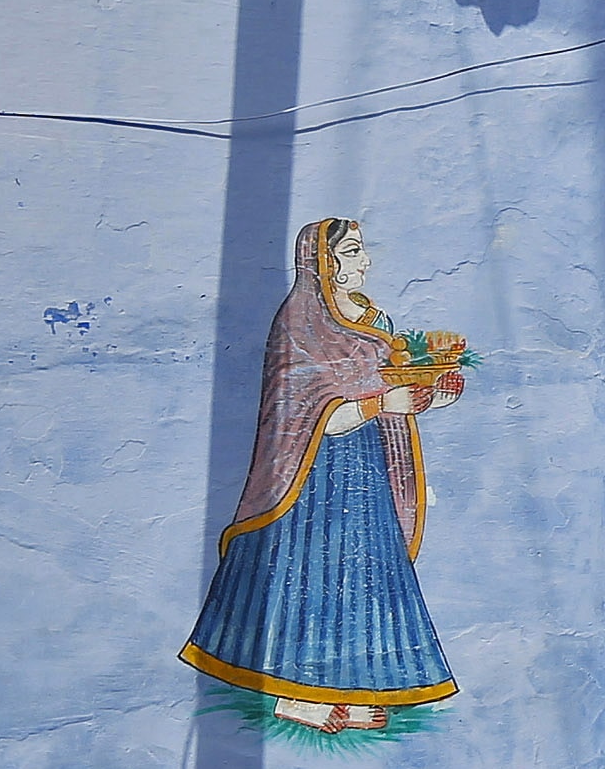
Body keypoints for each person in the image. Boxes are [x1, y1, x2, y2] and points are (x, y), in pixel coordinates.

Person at [181, 218, 468, 733]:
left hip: (365, 472)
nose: (365, 263)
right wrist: (383, 402)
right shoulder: (299, 321)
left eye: (361, 251)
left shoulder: (375, 320)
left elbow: (389, 393)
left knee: (362, 577)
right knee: (306, 576)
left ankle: (355, 691)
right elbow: (301, 410)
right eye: (353, 252)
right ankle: (297, 698)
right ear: (323, 261)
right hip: (308, 477)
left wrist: (431, 394)